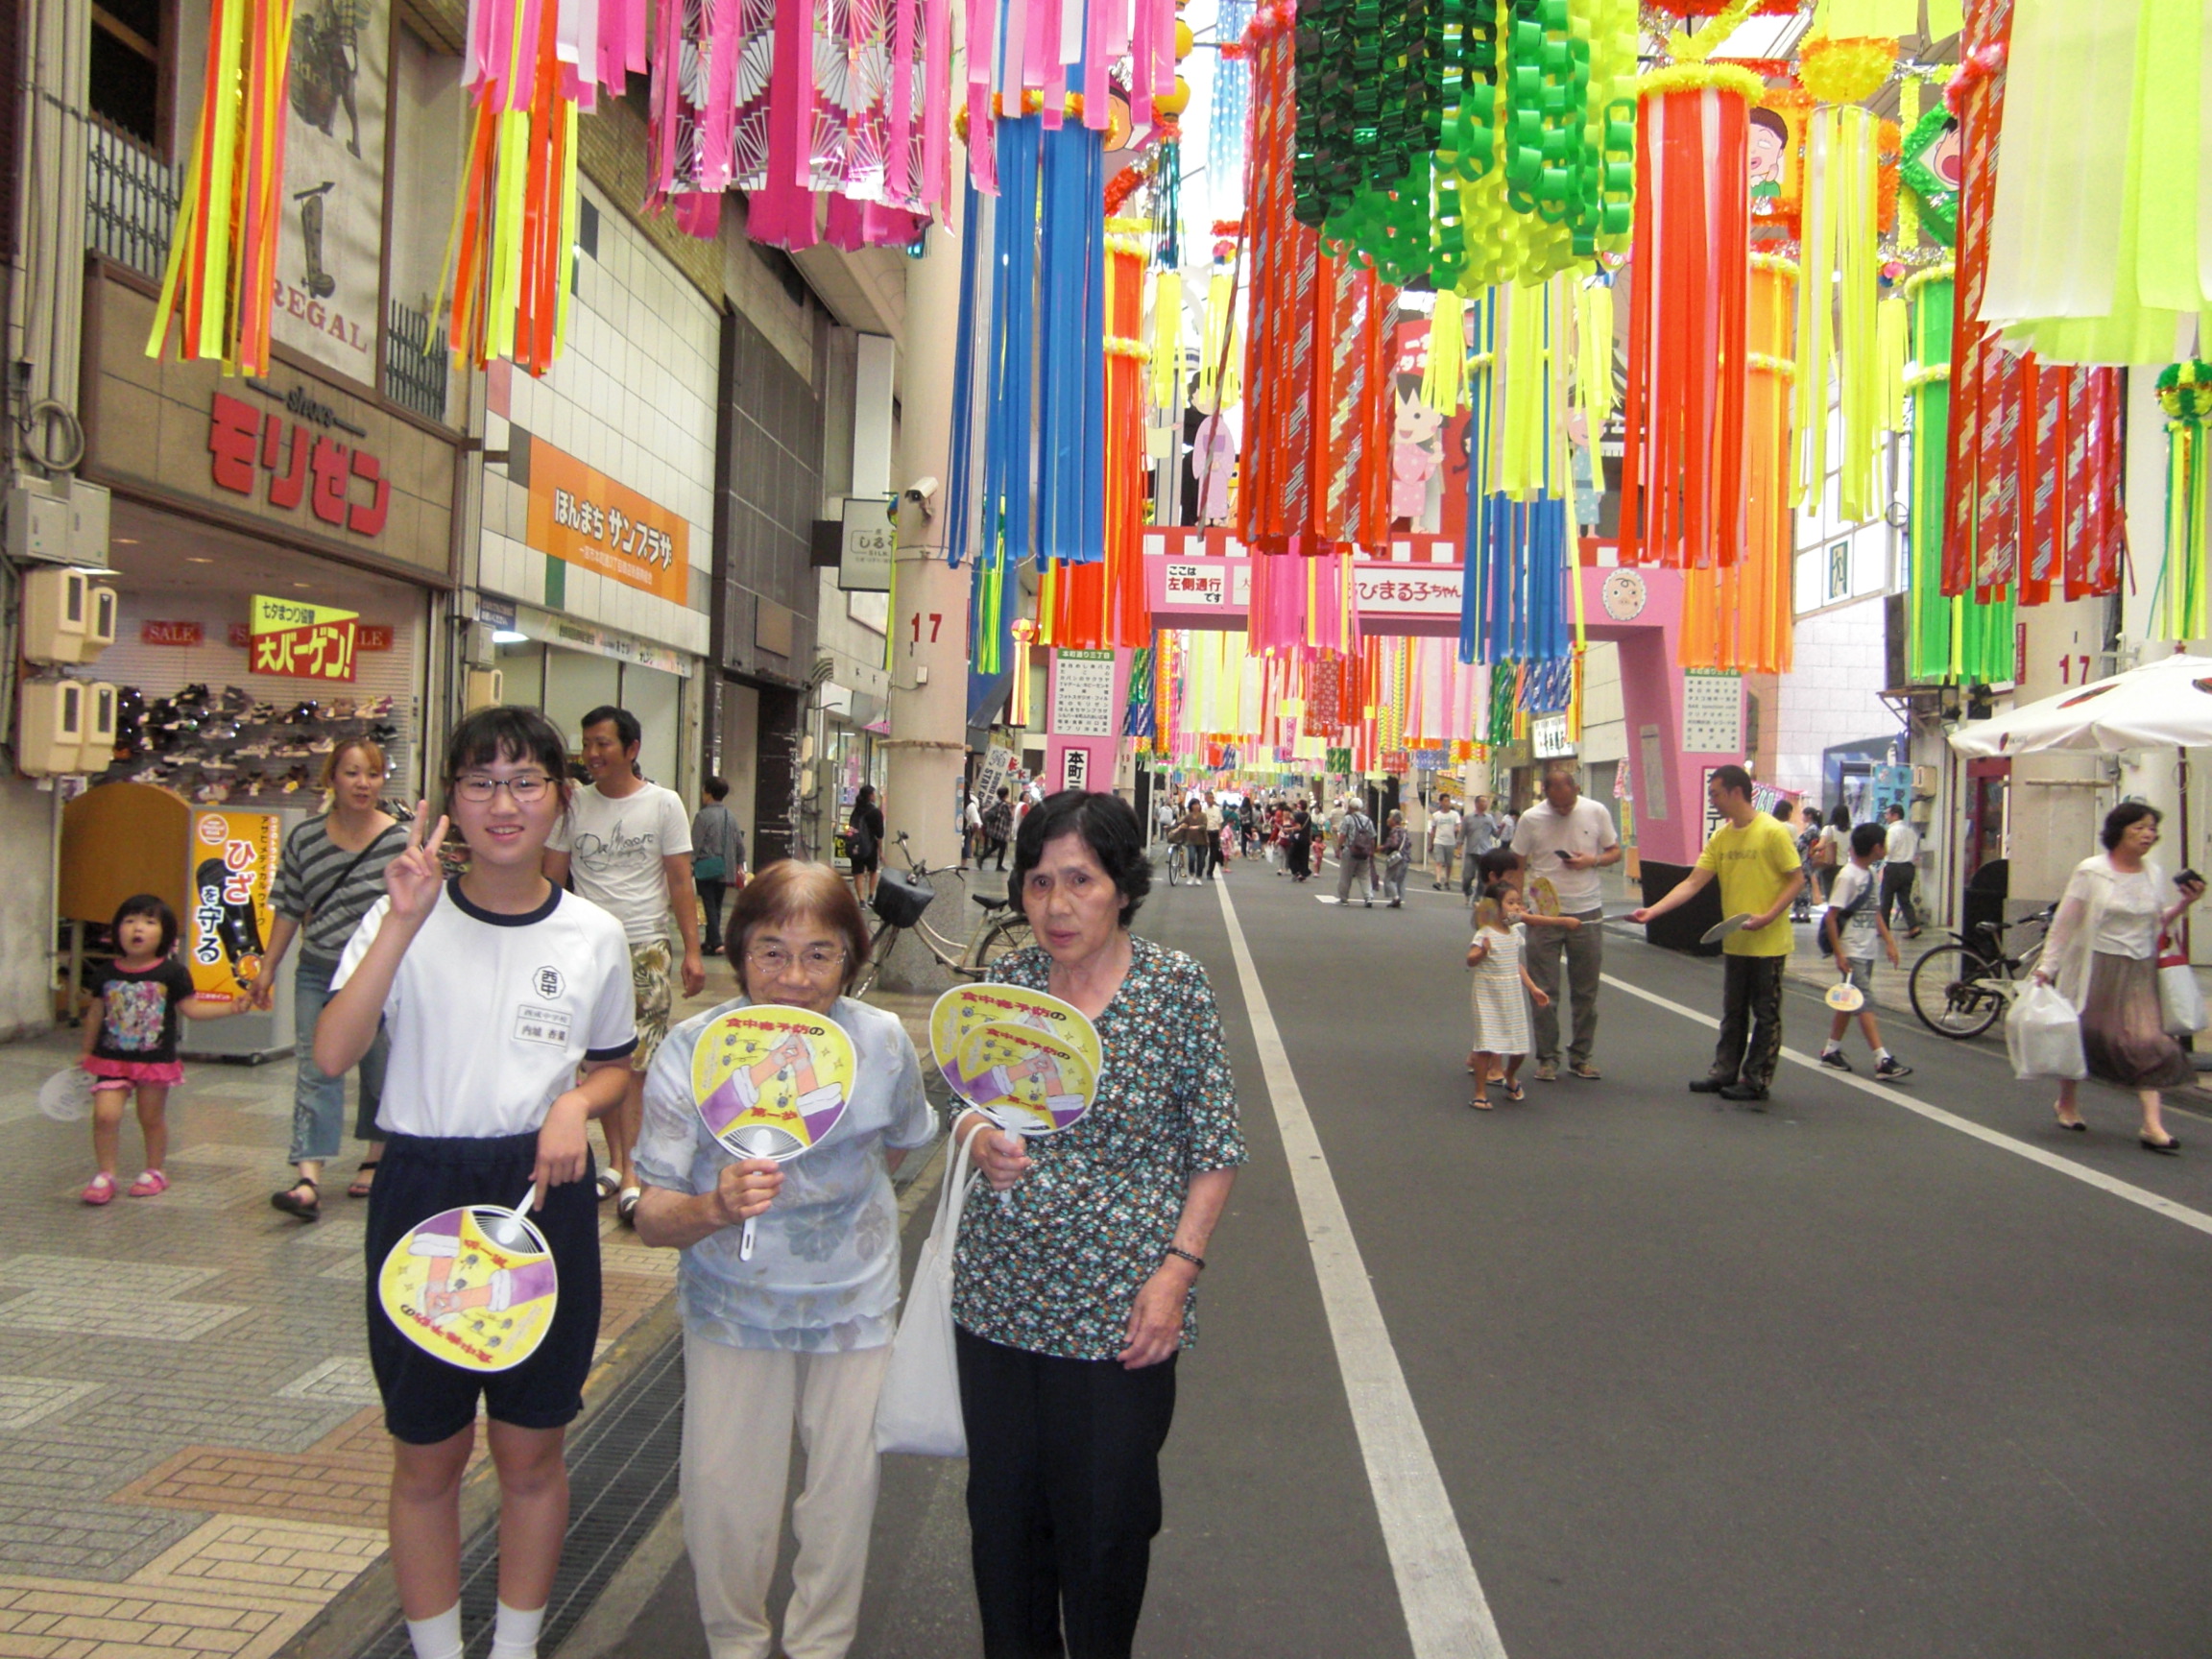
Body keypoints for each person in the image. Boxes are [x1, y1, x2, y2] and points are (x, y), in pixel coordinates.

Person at [317, 707, 637, 1659]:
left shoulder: (593, 933)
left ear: (559, 799)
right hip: (424, 1189)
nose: (505, 804)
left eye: (526, 782)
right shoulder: (402, 913)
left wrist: (577, 1105)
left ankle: (515, 1648)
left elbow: (615, 1062)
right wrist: (402, 923)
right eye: (482, 783)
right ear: (449, 800)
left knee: (532, 1447)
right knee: (428, 1452)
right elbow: (333, 1053)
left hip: (543, 1195)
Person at [950, 791, 1245, 1659]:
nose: (1057, 905)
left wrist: (1176, 1273)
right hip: (998, 1303)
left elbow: (1216, 1146)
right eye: (1039, 883)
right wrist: (977, 1138)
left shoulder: (1172, 990)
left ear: (1121, 885)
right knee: (1002, 1521)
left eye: (1080, 880)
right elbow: (963, 1103)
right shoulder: (1006, 989)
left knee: (1107, 1522)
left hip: (1121, 1312)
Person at [636, 863, 935, 1659]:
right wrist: (713, 1208)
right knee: (724, 1498)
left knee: (843, 1494)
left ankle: (820, 1646)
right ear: (738, 953)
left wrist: (844, 1209)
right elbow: (652, 1216)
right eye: (771, 952)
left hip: (856, 1302)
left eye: (819, 954)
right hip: (733, 1303)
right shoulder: (695, 1052)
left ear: (852, 959)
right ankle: (735, 1643)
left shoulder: (881, 1044)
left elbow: (907, 1139)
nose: (794, 978)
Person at [545, 706, 705, 1225]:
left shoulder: (664, 804)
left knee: (635, 1066)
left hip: (644, 947)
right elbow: (552, 879)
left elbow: (681, 881)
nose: (591, 754)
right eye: (586, 744)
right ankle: (615, 1162)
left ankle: (634, 1171)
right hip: (584, 949)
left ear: (632, 749)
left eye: (602, 744)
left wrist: (693, 950)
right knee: (597, 1064)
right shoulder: (571, 805)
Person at [255, 738, 407, 1217]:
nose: (364, 783)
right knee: (315, 1066)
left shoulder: (400, 840)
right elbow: (288, 904)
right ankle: (307, 1175)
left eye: (374, 774)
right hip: (319, 968)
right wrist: (267, 966)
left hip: (378, 974)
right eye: (352, 773)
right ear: (331, 779)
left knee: (381, 1069)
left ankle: (375, 1157)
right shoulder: (305, 838)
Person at [1627, 765, 1806, 1105]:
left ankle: (1756, 1079)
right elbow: (1693, 881)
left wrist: (1768, 916)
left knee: (1766, 1012)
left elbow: (1796, 878)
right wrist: (1653, 911)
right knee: (1733, 1009)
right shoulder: (1722, 837)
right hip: (1736, 939)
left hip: (1769, 941)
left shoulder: (1772, 831)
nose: (1713, 800)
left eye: (1716, 793)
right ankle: (1724, 1071)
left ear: (1736, 792)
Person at [2035, 802, 2203, 1152]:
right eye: (2140, 827)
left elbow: (2156, 923)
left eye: (2152, 828)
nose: (2148, 834)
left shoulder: (2153, 872)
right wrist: (2047, 967)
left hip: (2140, 969)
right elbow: (2065, 924)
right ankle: (2066, 1101)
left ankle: (2152, 1124)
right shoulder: (2091, 871)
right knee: (2084, 1033)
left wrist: (2186, 903)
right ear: (2120, 830)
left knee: (2147, 1041)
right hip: (2096, 966)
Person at [78, 895, 243, 1204]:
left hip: (154, 1061)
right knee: (105, 1115)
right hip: (110, 1059)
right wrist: (87, 1052)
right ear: (116, 930)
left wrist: (232, 1009)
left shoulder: (172, 973)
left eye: (148, 922)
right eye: (129, 921)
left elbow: (191, 1009)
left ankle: (154, 1171)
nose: (137, 929)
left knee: (150, 1117)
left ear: (164, 933)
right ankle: (105, 1174)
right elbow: (95, 1014)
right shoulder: (105, 973)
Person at [1510, 764, 1622, 1082]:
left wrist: (1592, 860)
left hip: (1587, 910)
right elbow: (1518, 861)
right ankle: (1547, 1058)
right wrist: (1516, 902)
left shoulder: (1596, 811)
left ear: (1576, 789)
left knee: (1586, 990)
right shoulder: (1531, 819)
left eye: (1567, 803)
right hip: (1544, 912)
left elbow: (1615, 852)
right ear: (1545, 793)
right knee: (1543, 988)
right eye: (1555, 804)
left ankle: (1581, 1057)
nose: (1562, 809)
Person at [1819, 822, 1913, 1080]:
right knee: (1864, 1000)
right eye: (1884, 844)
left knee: (1849, 1001)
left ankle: (1831, 1050)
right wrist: (1839, 953)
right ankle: (1881, 1058)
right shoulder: (1848, 876)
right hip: (1852, 949)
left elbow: (1875, 912)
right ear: (1876, 847)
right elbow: (1831, 916)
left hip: (1867, 947)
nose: (1886, 849)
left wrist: (1889, 942)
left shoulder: (1870, 874)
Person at [1466, 884, 1549, 1109]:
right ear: (1495, 908)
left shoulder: (1513, 933)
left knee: (1519, 1045)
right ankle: (1480, 1092)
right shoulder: (1485, 933)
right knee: (1486, 1043)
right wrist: (1482, 952)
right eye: (1510, 903)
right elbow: (1470, 959)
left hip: (1511, 993)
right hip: (1488, 993)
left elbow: (1516, 964)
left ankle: (1509, 1075)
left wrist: (1533, 988)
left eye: (1518, 902)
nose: (1516, 907)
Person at [690, 778, 748, 958]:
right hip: (726, 867)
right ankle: (710, 941)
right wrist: (740, 863)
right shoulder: (729, 816)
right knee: (716, 905)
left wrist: (689, 864)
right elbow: (739, 842)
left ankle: (716, 941)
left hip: (706, 866)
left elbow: (695, 843)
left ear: (707, 792)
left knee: (708, 904)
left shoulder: (703, 816)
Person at [1880, 804, 1924, 938]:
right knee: (1904, 899)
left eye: (1887, 814)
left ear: (1895, 815)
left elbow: (1888, 849)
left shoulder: (1893, 831)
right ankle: (1913, 926)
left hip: (1894, 867)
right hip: (1908, 867)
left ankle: (1883, 928)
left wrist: (1881, 863)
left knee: (1886, 899)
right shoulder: (1910, 831)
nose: (1886, 817)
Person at [844, 783, 885, 903]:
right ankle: (871, 896)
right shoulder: (875, 812)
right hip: (870, 846)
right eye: (874, 794)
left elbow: (851, 828)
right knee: (873, 870)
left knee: (858, 872)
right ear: (871, 796)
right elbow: (880, 834)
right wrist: (880, 851)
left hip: (856, 845)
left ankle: (861, 900)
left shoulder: (856, 810)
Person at [1335, 799, 1379, 907]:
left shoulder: (1348, 819)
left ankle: (1344, 898)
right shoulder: (1368, 820)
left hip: (1350, 851)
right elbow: (1372, 838)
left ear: (1351, 807)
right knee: (1365, 875)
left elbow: (1342, 835)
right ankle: (1368, 897)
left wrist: (1338, 848)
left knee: (1346, 875)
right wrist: (1371, 851)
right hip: (1364, 852)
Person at [1379, 809, 1414, 906]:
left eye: (1390, 818)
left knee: (1388, 879)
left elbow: (1394, 843)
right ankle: (1400, 899)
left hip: (1397, 859)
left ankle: (1396, 898)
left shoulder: (1395, 831)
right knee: (1400, 880)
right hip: (1406, 858)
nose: (1388, 820)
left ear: (1394, 820)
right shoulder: (1404, 831)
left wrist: (1384, 846)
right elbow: (1409, 844)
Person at [1815, 805, 1851, 901]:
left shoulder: (1828, 829)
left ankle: (1832, 914)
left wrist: (1812, 849)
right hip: (1845, 866)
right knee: (1842, 896)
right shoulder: (1850, 832)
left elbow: (1821, 845)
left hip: (1830, 866)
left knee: (1830, 895)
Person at [1429, 796, 1462, 889]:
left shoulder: (1455, 814)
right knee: (1439, 862)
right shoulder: (1436, 815)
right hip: (1439, 841)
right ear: (1440, 802)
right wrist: (1431, 843)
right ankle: (1438, 881)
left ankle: (1447, 880)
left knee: (1449, 863)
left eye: (1448, 800)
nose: (1447, 803)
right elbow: (1433, 830)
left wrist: (1457, 829)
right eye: (1445, 801)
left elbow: (1458, 826)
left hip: (1450, 842)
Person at [983, 786, 1015, 872]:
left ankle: (982, 858)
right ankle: (999, 865)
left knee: (994, 846)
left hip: (993, 829)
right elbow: (1011, 817)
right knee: (1002, 847)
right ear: (1006, 795)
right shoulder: (1004, 805)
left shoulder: (996, 802)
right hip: (1001, 831)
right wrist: (1012, 809)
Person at [1287, 804, 1314, 882]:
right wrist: (1310, 838)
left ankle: (1297, 872)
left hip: (1298, 838)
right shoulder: (1309, 816)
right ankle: (1303, 873)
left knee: (1293, 856)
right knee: (1304, 857)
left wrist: (1289, 829)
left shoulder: (1298, 815)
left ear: (1299, 807)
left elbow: (1298, 827)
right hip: (1306, 838)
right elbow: (1310, 829)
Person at [965, 788, 986, 867]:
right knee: (972, 839)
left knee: (969, 840)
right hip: (972, 822)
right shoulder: (974, 800)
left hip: (969, 823)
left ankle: (970, 853)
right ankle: (971, 854)